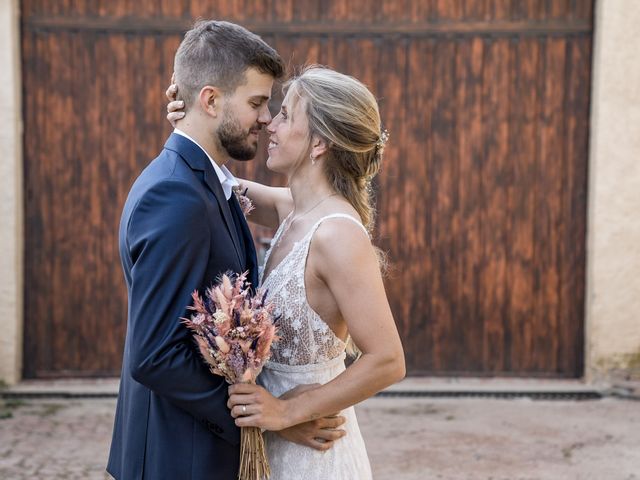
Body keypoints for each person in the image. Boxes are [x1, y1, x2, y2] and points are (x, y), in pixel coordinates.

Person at [108, 21, 344, 480]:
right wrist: (264, 424)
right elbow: (155, 355)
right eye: (257, 103)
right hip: (179, 458)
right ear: (211, 100)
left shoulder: (204, 180)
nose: (265, 118)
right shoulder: (176, 196)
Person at [167, 65, 406, 479]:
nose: (269, 125)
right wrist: (190, 124)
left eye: (285, 116)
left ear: (319, 143)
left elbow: (387, 360)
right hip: (270, 446)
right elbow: (216, 184)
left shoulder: (336, 234)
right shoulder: (293, 209)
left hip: (314, 457)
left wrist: (289, 411)